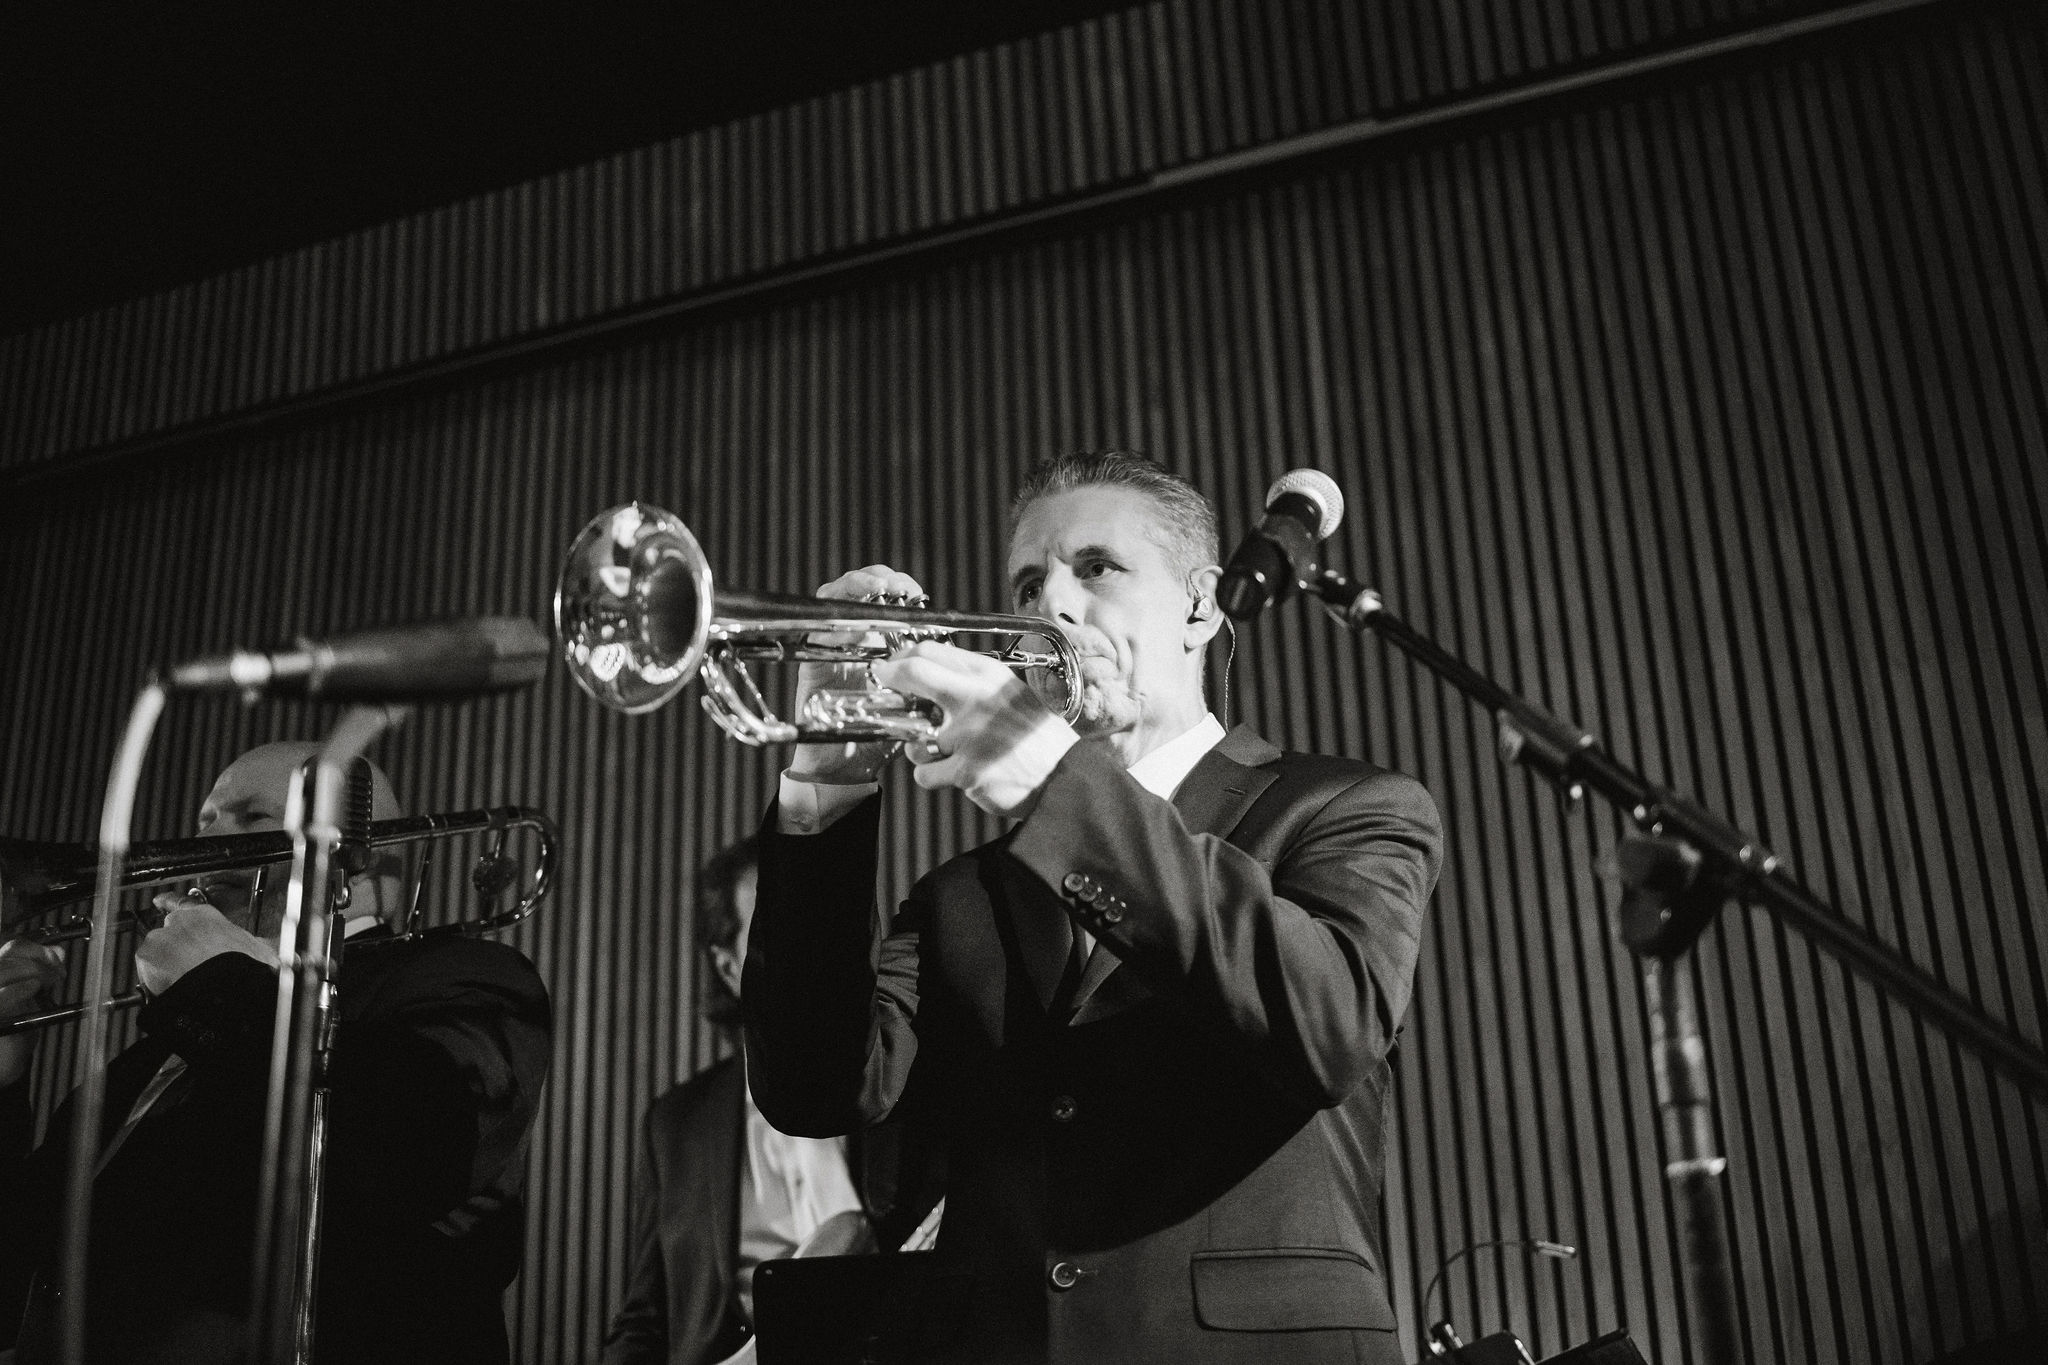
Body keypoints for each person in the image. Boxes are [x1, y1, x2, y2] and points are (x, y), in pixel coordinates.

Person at [742, 453, 1444, 1363]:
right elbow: (812, 1088)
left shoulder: (1349, 808)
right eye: (1029, 581)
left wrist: (1054, 788)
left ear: (1202, 605)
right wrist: (826, 787)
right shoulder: (963, 894)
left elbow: (1330, 1025)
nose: (1052, 608)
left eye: (1096, 568)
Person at [0, 742, 553, 1365]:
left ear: (360, 852)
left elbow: (408, 1150)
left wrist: (220, 985)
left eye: (253, 818)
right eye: (206, 822)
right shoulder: (149, 1060)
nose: (207, 845)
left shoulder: (467, 977)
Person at [603, 838, 934, 1365]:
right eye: (775, 935)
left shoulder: (918, 1088)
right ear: (728, 967)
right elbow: (645, 1320)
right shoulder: (674, 1124)